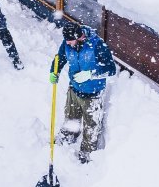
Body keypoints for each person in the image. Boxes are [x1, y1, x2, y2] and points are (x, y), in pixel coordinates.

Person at [49, 21, 116, 163]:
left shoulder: (97, 45)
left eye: (70, 41)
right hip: (74, 89)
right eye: (66, 41)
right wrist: (54, 72)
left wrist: (90, 74)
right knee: (71, 116)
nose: (68, 44)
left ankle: (87, 152)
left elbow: (111, 69)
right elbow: (60, 58)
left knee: (91, 126)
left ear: (80, 37)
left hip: (93, 93)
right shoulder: (67, 42)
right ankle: (69, 135)